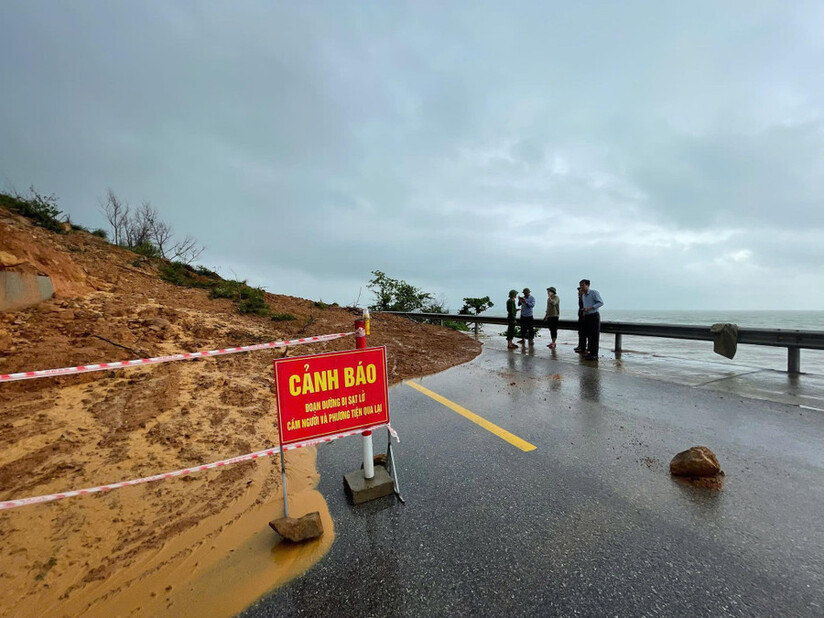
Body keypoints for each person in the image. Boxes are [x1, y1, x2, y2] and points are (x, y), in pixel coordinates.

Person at [579, 279, 604, 361]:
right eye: (580, 286)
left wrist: (590, 308)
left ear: (588, 285)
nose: (581, 287)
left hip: (594, 315)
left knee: (594, 336)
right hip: (587, 316)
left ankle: (594, 354)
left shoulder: (594, 292)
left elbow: (601, 302)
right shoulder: (583, 295)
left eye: (583, 285)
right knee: (588, 335)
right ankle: (590, 353)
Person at [574, 286, 586, 353]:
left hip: (584, 317)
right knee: (580, 332)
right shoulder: (580, 298)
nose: (578, 292)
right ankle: (580, 346)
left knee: (583, 333)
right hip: (581, 316)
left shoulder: (584, 298)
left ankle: (582, 347)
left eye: (579, 291)